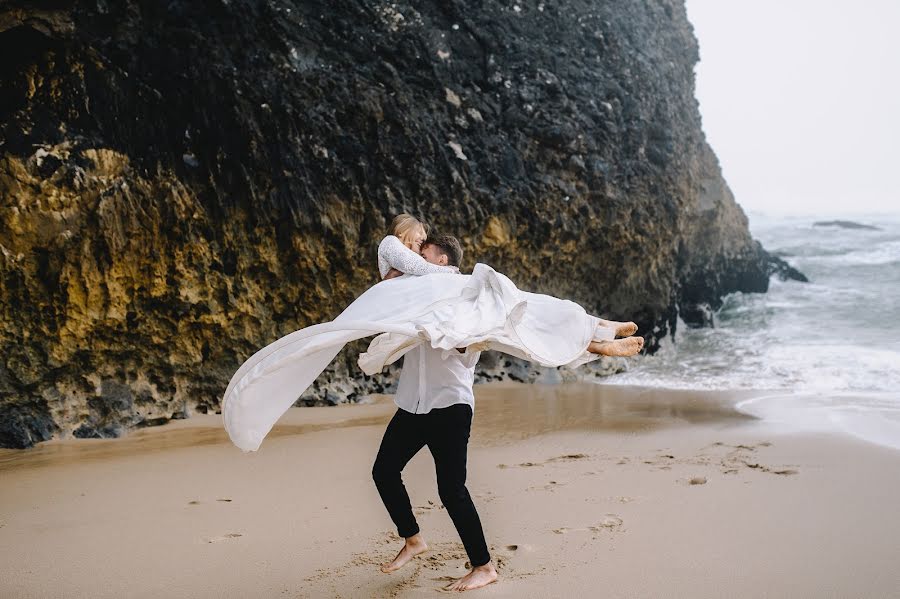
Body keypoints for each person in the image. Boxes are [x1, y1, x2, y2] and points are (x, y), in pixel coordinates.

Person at [372, 234, 498, 592]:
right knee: (383, 471)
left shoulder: (462, 294)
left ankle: (484, 566)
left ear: (441, 261)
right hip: (413, 403)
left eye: (423, 256)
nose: (418, 263)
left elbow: (468, 347)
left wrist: (445, 326)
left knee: (451, 490)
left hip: (450, 406)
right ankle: (413, 540)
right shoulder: (415, 294)